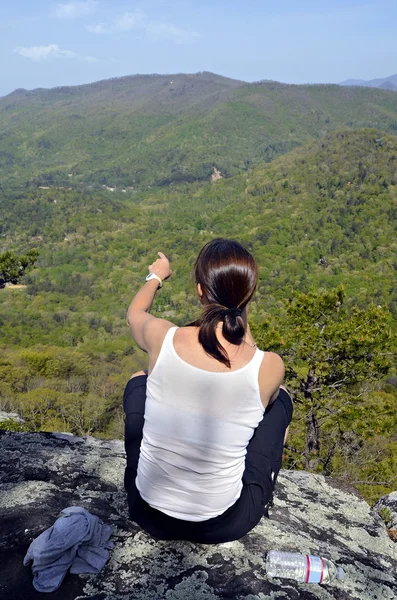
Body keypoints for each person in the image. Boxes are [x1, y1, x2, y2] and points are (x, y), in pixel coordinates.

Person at [124, 238, 292, 544]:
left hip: (146, 510)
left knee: (139, 379)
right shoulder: (268, 365)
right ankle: (261, 479)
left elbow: (135, 313)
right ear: (249, 294)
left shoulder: (162, 336)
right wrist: (240, 310)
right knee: (280, 400)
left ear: (200, 290)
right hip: (223, 524)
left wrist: (156, 277)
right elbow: (246, 354)